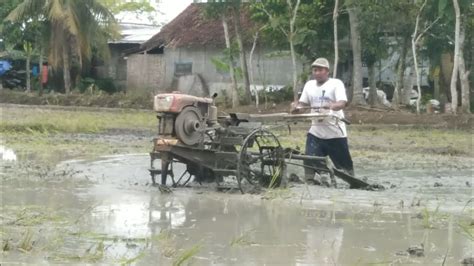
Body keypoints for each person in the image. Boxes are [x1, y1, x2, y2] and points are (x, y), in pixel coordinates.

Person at [291, 57, 354, 185]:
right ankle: (310, 179)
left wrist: (331, 106)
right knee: (310, 156)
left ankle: (351, 181)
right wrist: (296, 108)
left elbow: (342, 103)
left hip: (334, 131)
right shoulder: (309, 85)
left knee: (345, 168)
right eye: (315, 70)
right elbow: (302, 104)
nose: (317, 73)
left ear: (327, 71)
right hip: (316, 130)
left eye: (320, 70)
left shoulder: (336, 84)